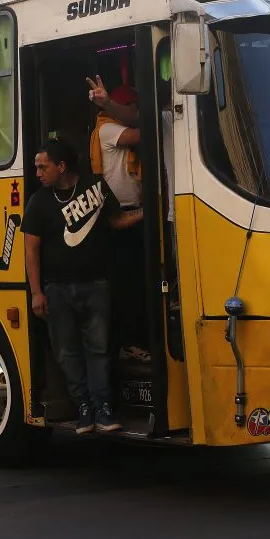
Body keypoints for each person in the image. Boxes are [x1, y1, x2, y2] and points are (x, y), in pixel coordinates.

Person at [21, 137, 143, 434]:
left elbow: (116, 220)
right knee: (66, 352)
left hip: (96, 285)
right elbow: (31, 250)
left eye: (42, 166)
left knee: (99, 349)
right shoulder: (38, 202)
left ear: (62, 166)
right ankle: (83, 407)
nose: (37, 173)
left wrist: (146, 212)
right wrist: (37, 292)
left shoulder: (95, 187)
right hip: (57, 290)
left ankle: (102, 408)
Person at [88, 75, 150, 365]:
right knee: (127, 285)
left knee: (140, 282)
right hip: (120, 213)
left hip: (136, 210)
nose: (137, 114)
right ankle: (129, 342)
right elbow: (142, 134)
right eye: (134, 108)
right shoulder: (108, 128)